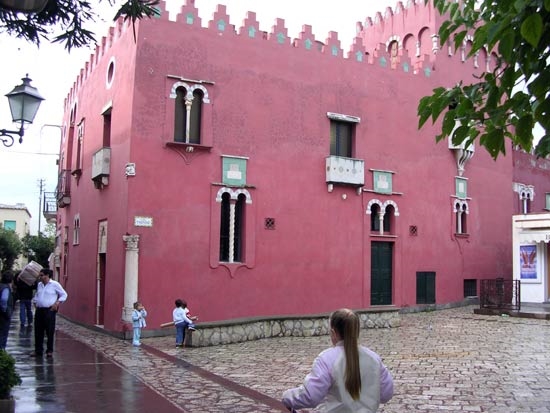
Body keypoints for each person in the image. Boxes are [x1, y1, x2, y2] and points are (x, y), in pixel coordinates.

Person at [282, 308, 394, 413]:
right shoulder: (374, 358)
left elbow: (311, 396)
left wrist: (287, 397)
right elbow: (386, 394)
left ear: (334, 333)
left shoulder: (327, 359)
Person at [32, 269, 68, 358]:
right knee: (38, 331)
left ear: (47, 275)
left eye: (42, 275)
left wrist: (57, 303)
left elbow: (64, 294)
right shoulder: (39, 285)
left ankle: (49, 350)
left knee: (49, 331)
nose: (40, 277)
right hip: (39, 310)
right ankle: (38, 350)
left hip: (49, 310)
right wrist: (35, 301)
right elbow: (37, 295)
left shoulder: (55, 284)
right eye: (40, 275)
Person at [0, 270, 15, 350]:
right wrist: (5, 311)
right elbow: (4, 300)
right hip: (3, 315)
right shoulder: (6, 288)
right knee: (3, 334)